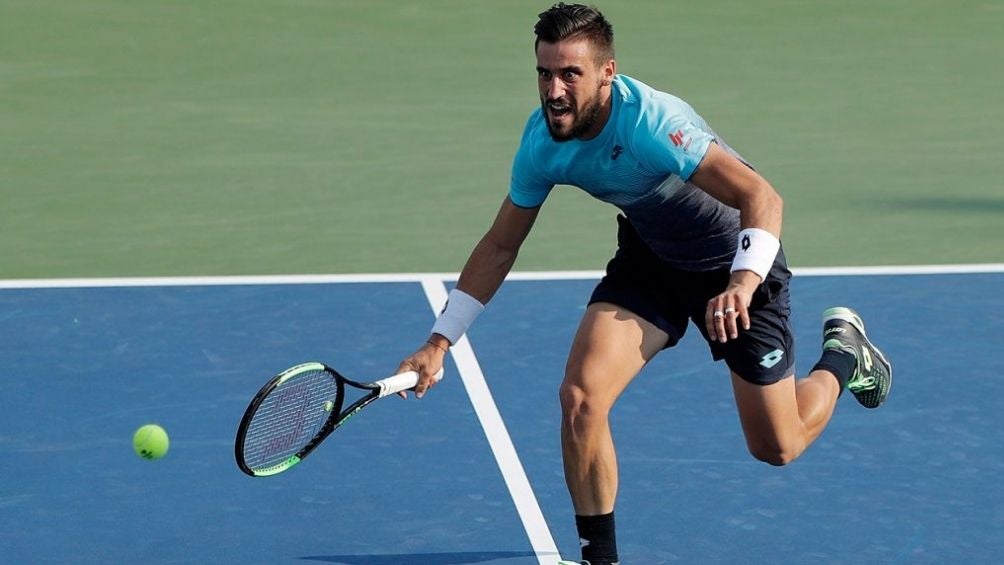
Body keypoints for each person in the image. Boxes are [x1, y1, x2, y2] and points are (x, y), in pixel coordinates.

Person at [396, 3, 892, 564]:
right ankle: (599, 560)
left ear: (608, 72)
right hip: (652, 259)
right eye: (544, 73)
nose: (554, 91)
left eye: (570, 74)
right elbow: (500, 245)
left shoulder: (653, 123)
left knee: (778, 446)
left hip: (735, 265)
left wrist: (743, 282)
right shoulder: (542, 144)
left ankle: (845, 356)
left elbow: (763, 197)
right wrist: (440, 342)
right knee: (580, 397)